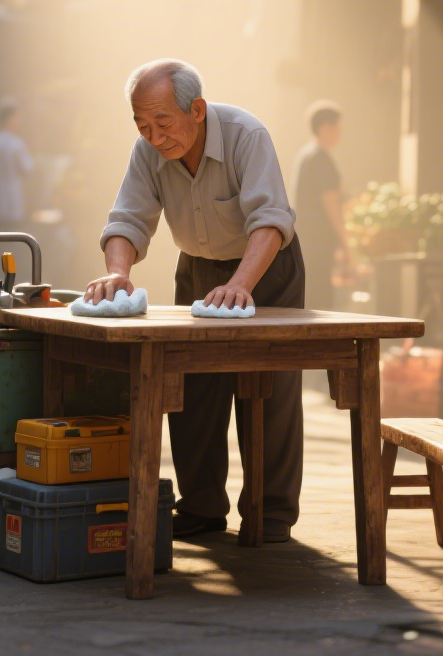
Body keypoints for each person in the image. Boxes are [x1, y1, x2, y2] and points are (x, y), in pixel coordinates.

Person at [85, 58, 303, 543]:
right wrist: (117, 274)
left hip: (265, 267)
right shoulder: (148, 152)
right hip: (200, 269)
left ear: (197, 109)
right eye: (143, 125)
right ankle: (202, 508)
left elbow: (270, 220)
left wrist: (242, 284)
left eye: (163, 122)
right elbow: (127, 219)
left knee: (268, 390)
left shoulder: (248, 135)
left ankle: (271, 514)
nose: (155, 136)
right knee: (190, 389)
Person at [292, 101, 350, 311]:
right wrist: (346, 245)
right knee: (321, 302)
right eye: (337, 128)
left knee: (309, 299)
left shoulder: (306, 156)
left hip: (305, 242)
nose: (340, 134)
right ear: (325, 129)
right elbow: (332, 207)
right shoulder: (321, 160)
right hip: (319, 244)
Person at [0, 99, 35, 231]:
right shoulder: (16, 143)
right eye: (17, 117)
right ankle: (8, 254)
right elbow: (28, 168)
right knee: (12, 241)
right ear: (9, 119)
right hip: (13, 202)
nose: (19, 120)